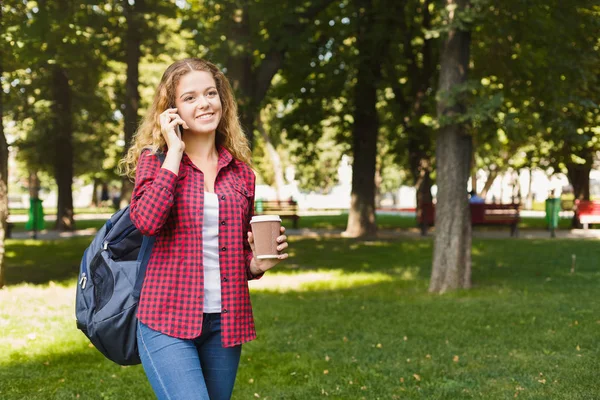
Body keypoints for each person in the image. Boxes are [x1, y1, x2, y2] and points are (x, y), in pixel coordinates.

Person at [119, 58, 289, 400]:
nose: (204, 103)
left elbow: (231, 253)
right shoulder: (156, 161)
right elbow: (146, 222)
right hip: (166, 319)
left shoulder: (242, 174)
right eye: (190, 97)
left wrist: (255, 264)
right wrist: (174, 153)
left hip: (225, 323)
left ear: (222, 101)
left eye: (211, 93)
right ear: (172, 110)